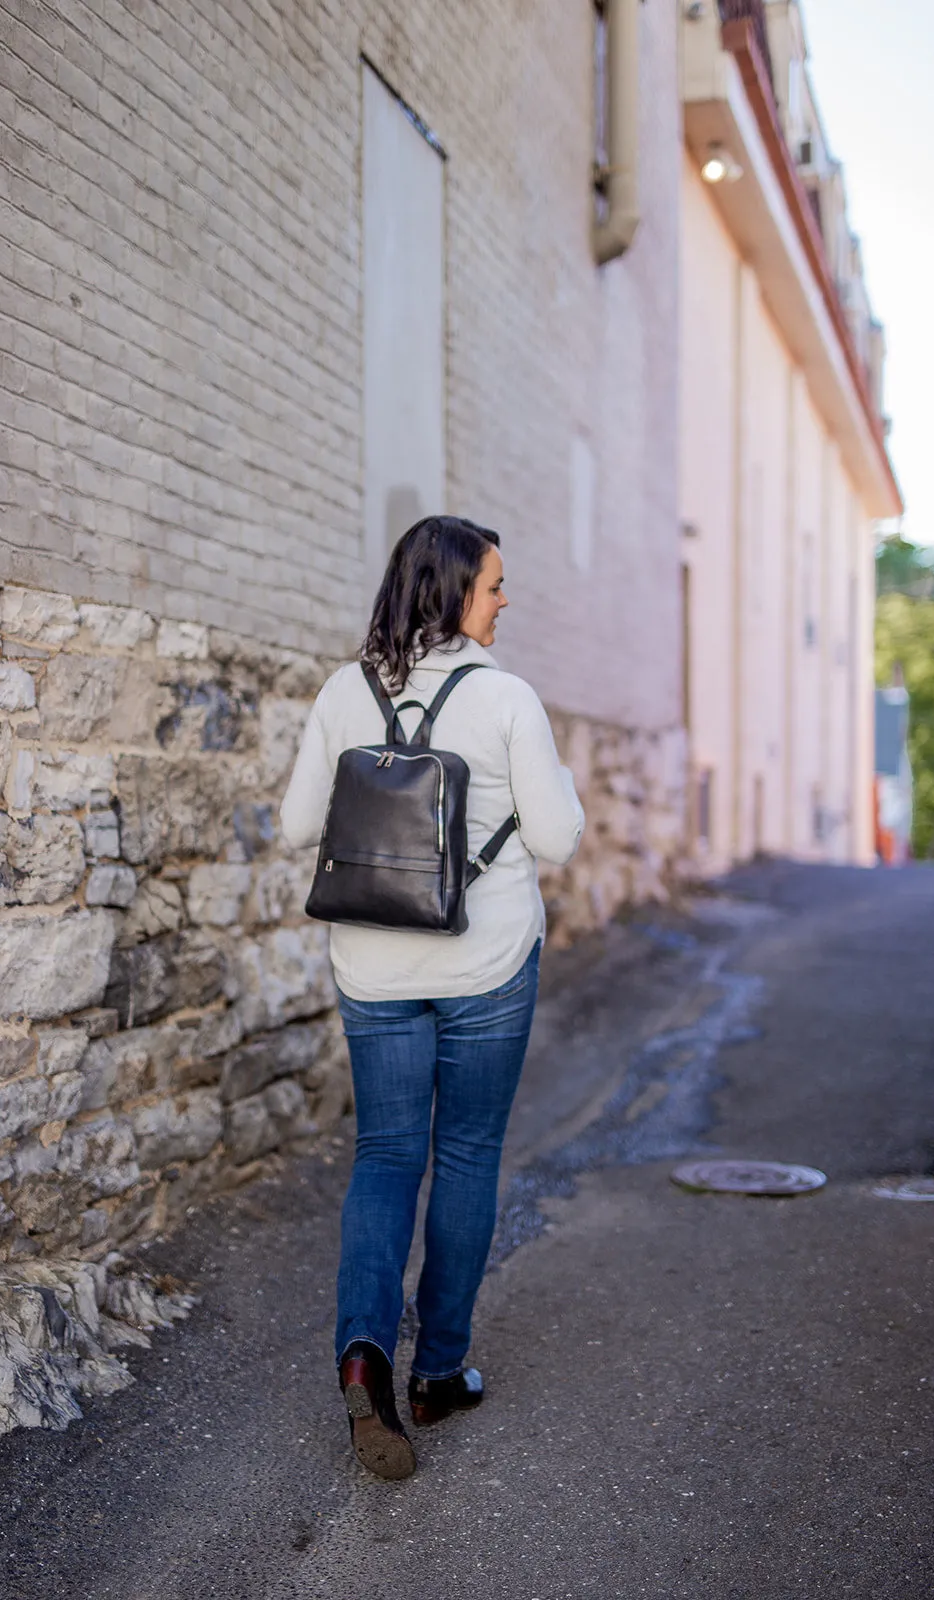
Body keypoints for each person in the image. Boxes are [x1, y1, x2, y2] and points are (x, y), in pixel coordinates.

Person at [281, 515, 584, 1478]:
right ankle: (438, 1373)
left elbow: (296, 826)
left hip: (371, 966)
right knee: (464, 1155)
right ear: (452, 591)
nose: (504, 602)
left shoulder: (343, 688)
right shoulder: (505, 700)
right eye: (494, 586)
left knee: (383, 1157)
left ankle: (364, 1356)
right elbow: (560, 838)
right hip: (485, 963)